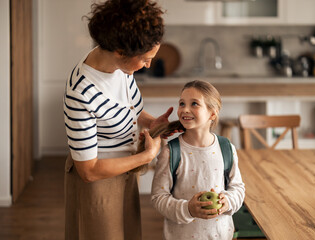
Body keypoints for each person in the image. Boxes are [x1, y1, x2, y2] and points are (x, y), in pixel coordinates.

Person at [63, 0, 173, 239]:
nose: (149, 64)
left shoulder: (120, 68)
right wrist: (146, 156)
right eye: (145, 58)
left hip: (125, 170)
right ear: (121, 52)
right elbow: (88, 171)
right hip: (98, 182)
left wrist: (150, 122)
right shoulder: (81, 92)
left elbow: (128, 109)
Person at [151, 80, 246, 240]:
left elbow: (238, 188)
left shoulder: (226, 148)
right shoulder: (171, 152)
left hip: (221, 236)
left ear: (212, 113)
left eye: (194, 104)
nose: (185, 109)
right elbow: (159, 197)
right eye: (182, 103)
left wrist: (227, 202)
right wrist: (188, 209)